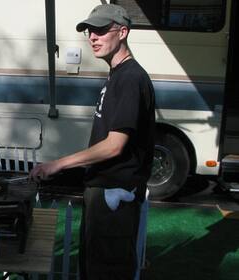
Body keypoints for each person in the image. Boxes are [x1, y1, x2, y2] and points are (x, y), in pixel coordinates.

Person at [29, 4, 155, 280]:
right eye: (89, 31)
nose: (92, 38)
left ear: (123, 32)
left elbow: (114, 145)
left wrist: (58, 164)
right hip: (104, 194)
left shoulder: (131, 78)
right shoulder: (117, 75)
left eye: (100, 30)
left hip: (114, 198)